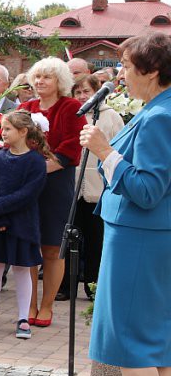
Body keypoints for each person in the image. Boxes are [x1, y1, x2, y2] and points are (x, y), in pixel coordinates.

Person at [79, 32, 171, 376]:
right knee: (157, 340)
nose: (120, 74)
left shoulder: (159, 118)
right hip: (145, 236)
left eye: (127, 67)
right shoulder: (157, 110)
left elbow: (149, 190)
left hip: (141, 236)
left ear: (152, 72)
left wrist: (104, 152)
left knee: (132, 338)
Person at [0, 110, 50, 340]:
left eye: (8, 129)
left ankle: (23, 317)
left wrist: (0, 208)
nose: (2, 133)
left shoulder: (35, 162)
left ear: (23, 132)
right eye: (2, 129)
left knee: (22, 269)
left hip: (21, 225)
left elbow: (28, 194)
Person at [18, 57, 85, 327]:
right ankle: (29, 304)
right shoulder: (25, 107)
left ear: (60, 81)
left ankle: (47, 306)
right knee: (29, 246)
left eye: (47, 77)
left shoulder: (71, 107)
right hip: (27, 187)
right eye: (37, 77)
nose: (40, 82)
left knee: (52, 248)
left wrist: (40, 168)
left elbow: (72, 147)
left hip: (56, 185)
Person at [62, 74, 125, 301]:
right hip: (73, 185)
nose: (81, 96)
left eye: (86, 91)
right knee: (70, 237)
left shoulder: (110, 116)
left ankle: (92, 285)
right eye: (77, 92)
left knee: (95, 240)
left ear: (97, 91)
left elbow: (119, 147)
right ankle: (65, 286)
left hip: (97, 187)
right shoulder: (73, 114)